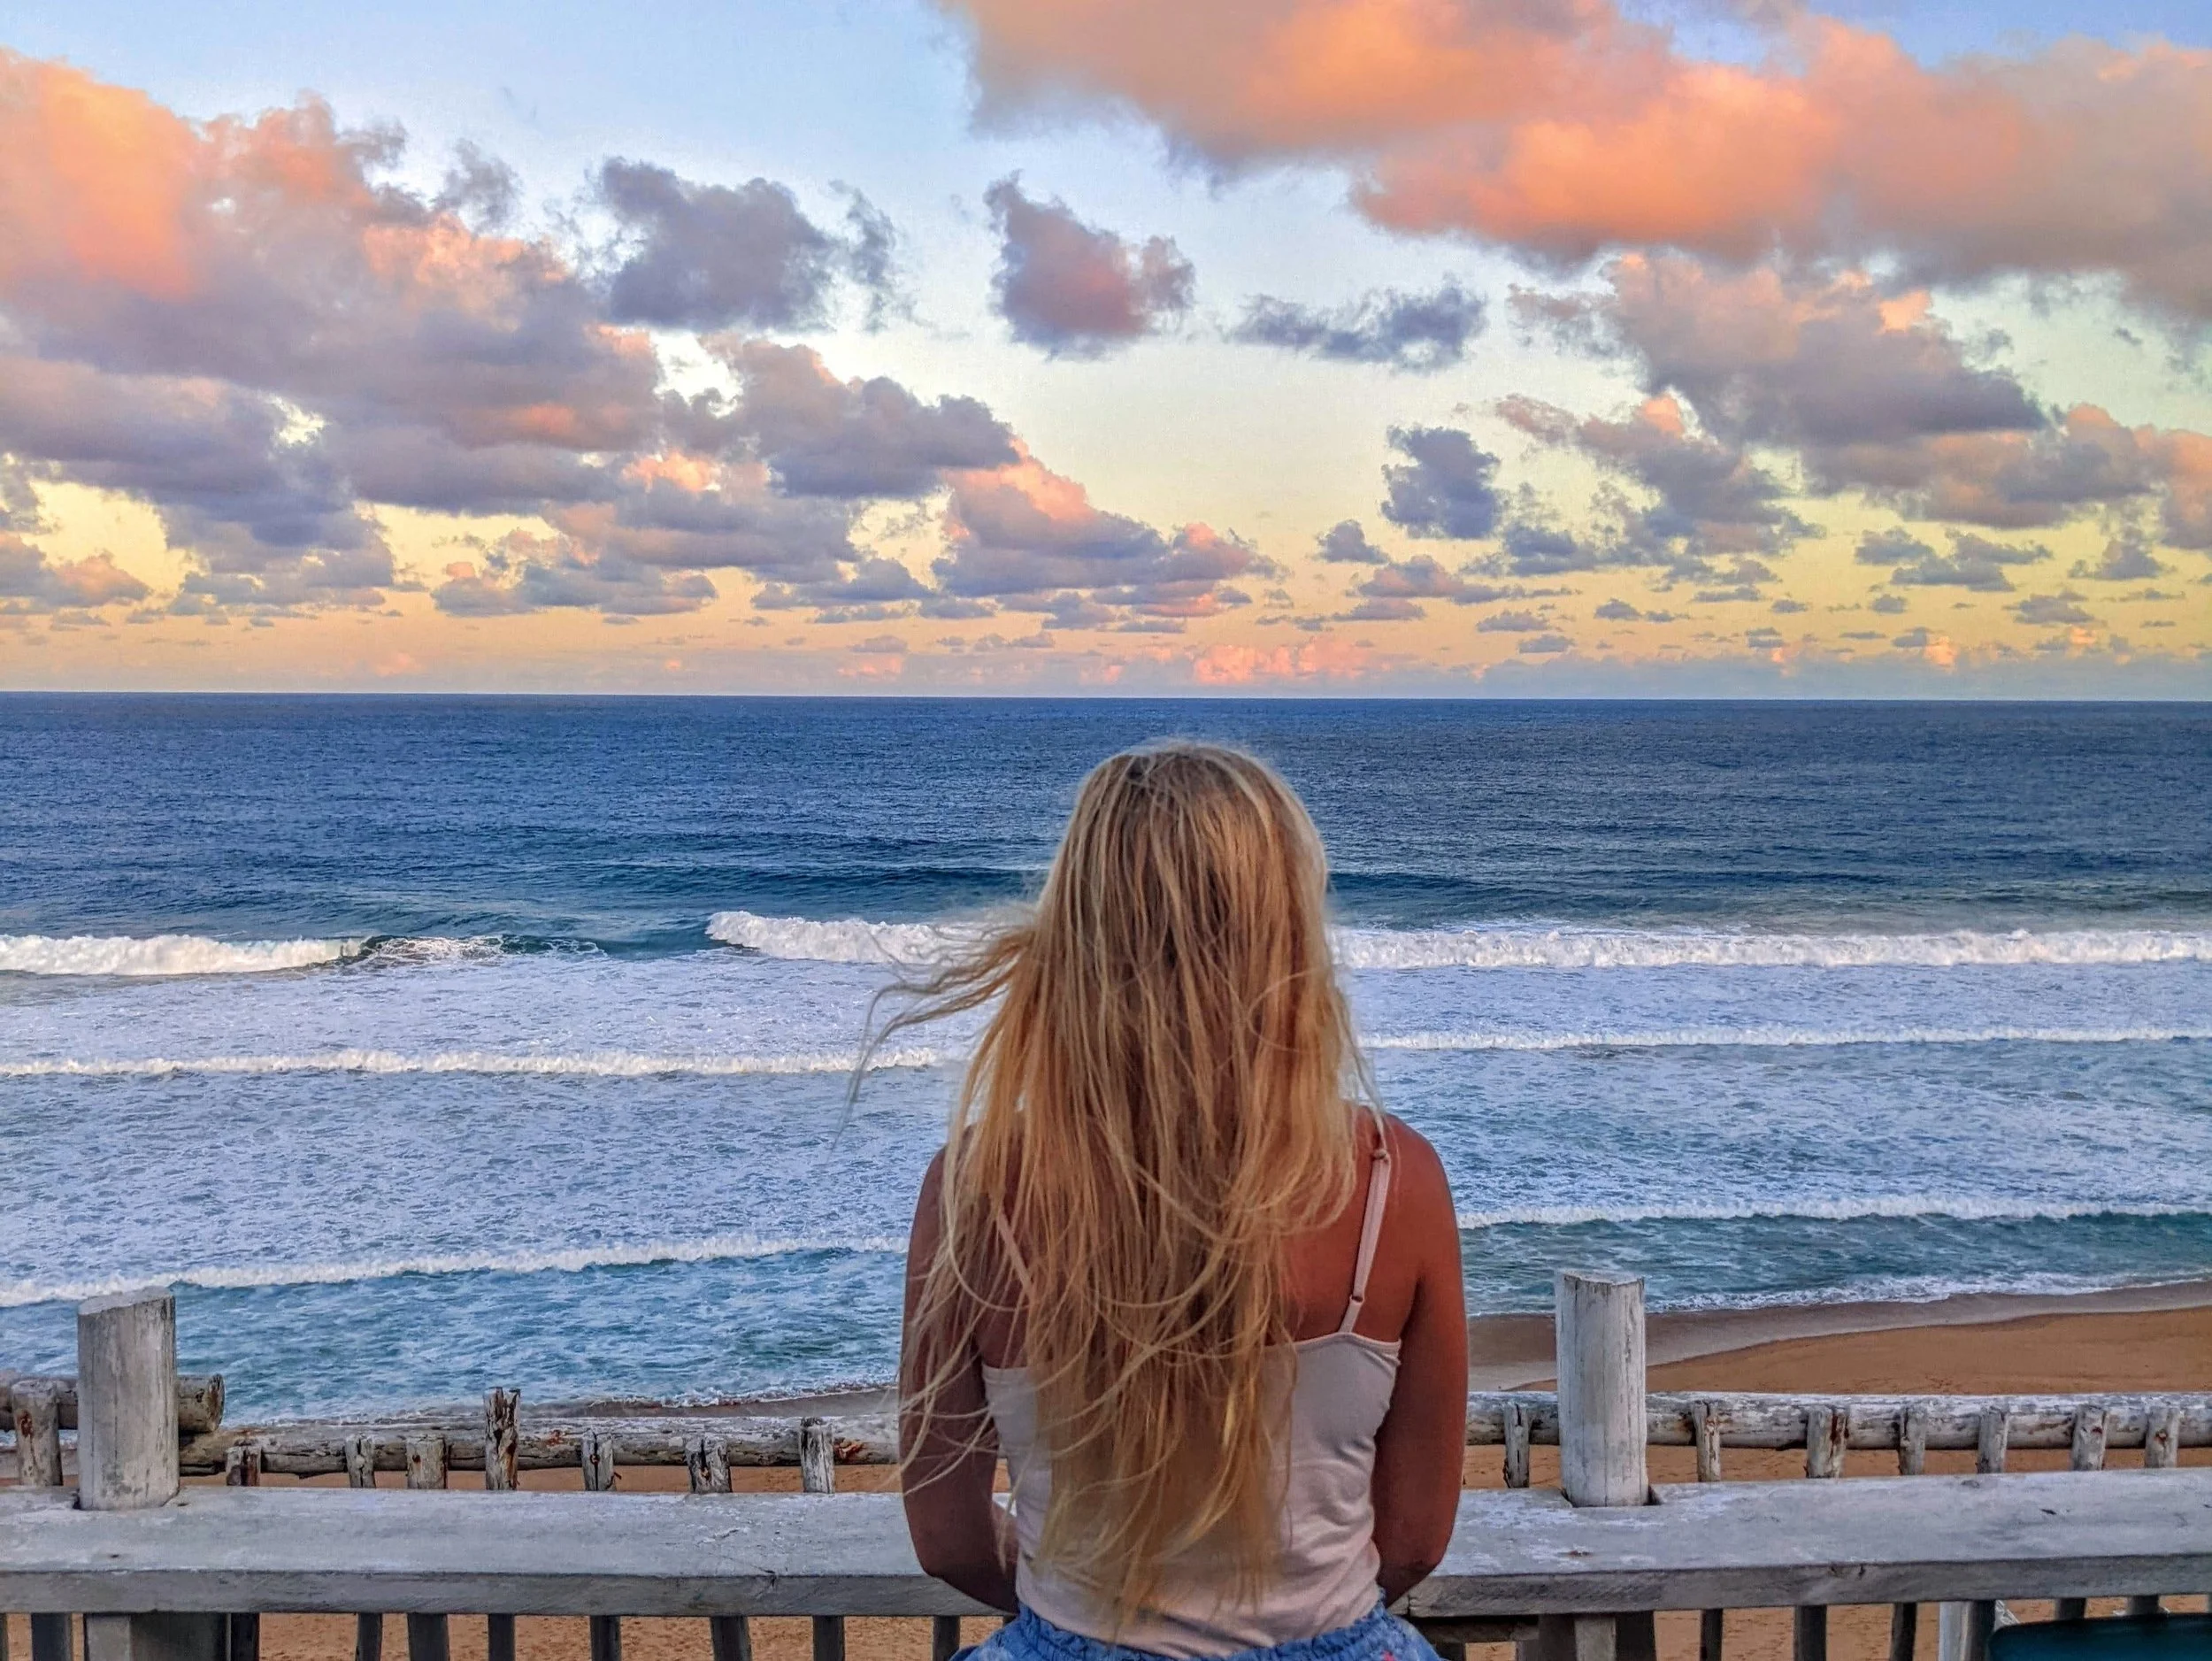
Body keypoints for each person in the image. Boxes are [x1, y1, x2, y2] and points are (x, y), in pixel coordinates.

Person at [877, 742, 1467, 1661]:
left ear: (1078, 926)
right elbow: (1418, 1535)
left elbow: (947, 1535)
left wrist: (1065, 1617)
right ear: (1288, 929)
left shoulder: (977, 1186)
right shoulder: (1397, 1177)